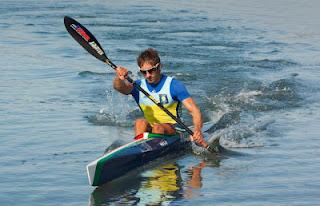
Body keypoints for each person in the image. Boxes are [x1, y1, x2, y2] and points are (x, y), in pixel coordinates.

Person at [113, 48, 208, 148]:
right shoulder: (138, 86)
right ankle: (138, 148)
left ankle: (150, 150)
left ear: (159, 67)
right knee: (139, 122)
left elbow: (194, 111)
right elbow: (119, 88)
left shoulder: (174, 85)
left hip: (175, 129)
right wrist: (119, 78)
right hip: (153, 127)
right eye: (144, 72)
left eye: (151, 71)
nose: (148, 75)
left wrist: (197, 131)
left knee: (158, 127)